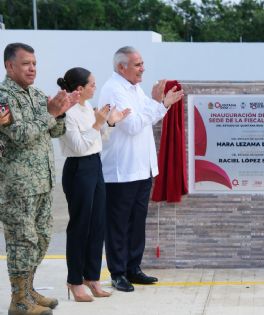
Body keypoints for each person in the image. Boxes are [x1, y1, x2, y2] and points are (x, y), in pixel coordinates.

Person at [0, 42, 78, 315]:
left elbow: (54, 131)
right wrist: (50, 114)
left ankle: (29, 290)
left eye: (34, 63)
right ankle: (19, 301)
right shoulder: (3, 97)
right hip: (17, 186)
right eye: (25, 64)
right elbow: (19, 135)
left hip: (42, 182)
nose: (32, 68)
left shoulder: (36, 94)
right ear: (10, 66)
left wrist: (62, 110)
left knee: (42, 237)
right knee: (23, 241)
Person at [98, 46, 184, 292]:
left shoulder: (134, 88)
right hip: (121, 171)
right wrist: (159, 105)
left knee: (137, 223)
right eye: (137, 65)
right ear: (121, 67)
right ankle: (118, 273)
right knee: (118, 224)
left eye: (142, 63)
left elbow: (150, 115)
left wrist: (158, 104)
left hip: (142, 168)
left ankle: (133, 268)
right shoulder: (113, 89)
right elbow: (134, 125)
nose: (143, 68)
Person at [57, 67, 130, 302]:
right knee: (80, 226)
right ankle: (75, 280)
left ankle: (92, 277)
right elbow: (78, 146)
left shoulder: (88, 107)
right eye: (92, 84)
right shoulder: (67, 111)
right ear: (80, 88)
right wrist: (99, 124)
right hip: (78, 169)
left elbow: (97, 140)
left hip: (95, 166)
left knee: (98, 224)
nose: (95, 88)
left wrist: (108, 123)